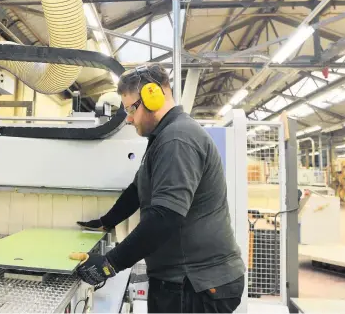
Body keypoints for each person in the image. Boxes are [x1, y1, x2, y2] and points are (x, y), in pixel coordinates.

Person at [70, 63, 246, 313]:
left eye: (132, 108)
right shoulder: (164, 137)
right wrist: (106, 221)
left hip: (195, 285)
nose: (129, 118)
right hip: (186, 280)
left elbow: (165, 217)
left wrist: (109, 264)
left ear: (153, 97)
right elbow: (138, 188)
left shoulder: (177, 139)